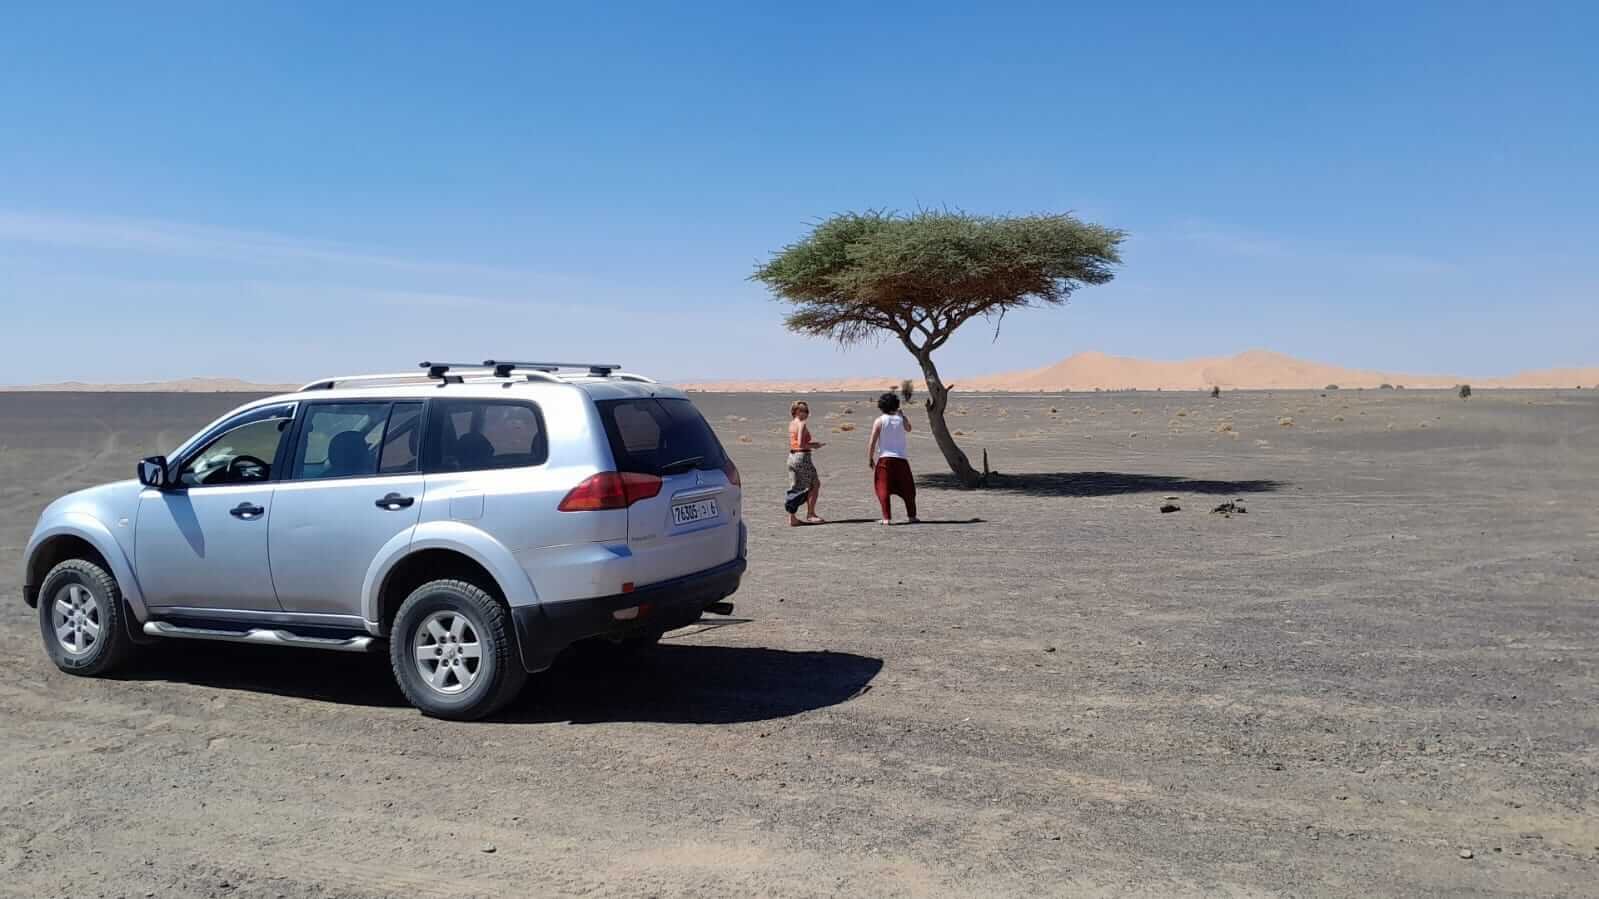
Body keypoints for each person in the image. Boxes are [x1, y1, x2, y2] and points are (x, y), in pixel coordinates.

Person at [867, 392, 918, 525]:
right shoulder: (901, 420)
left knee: (882, 487)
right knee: (908, 489)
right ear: (896, 405)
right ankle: (912, 516)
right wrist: (903, 415)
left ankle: (886, 518)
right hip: (901, 458)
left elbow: (872, 441)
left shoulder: (879, 420)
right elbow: (909, 428)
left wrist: (870, 457)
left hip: (885, 459)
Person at [785, 400, 825, 525]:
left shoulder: (791, 424)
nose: (806, 413)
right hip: (802, 457)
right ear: (796, 411)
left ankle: (792, 518)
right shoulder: (801, 424)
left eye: (807, 411)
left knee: (795, 486)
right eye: (803, 410)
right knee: (814, 484)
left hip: (792, 457)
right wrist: (815, 445)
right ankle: (811, 514)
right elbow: (801, 443)